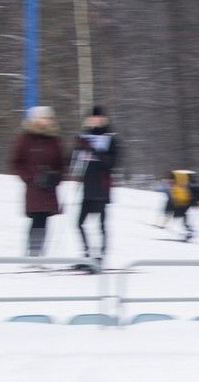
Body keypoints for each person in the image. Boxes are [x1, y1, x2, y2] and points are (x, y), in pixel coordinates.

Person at [9, 106, 66, 258]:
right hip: (34, 187)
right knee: (36, 218)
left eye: (48, 118)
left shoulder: (54, 140)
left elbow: (61, 164)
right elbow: (16, 163)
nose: (45, 121)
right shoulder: (25, 138)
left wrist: (56, 177)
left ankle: (39, 252)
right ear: (34, 119)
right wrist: (29, 178)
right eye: (41, 118)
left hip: (49, 187)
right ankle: (33, 252)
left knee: (44, 219)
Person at [69, 105, 120, 269]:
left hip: (102, 187)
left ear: (103, 119)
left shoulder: (111, 138)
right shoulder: (84, 136)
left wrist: (94, 151)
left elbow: (111, 163)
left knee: (100, 224)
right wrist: (77, 149)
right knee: (79, 223)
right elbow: (72, 160)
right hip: (86, 187)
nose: (94, 120)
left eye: (97, 117)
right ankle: (86, 254)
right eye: (91, 118)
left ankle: (100, 257)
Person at [157, 169, 199, 240]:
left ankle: (189, 231)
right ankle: (188, 231)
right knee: (180, 215)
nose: (168, 182)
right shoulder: (176, 186)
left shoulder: (180, 185)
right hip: (182, 203)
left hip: (183, 203)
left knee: (180, 215)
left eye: (169, 181)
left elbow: (189, 195)